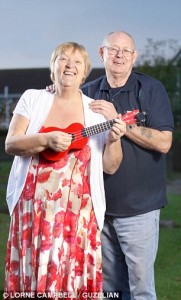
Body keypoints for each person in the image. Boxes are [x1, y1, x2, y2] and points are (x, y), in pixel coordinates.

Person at [46, 31, 174, 300]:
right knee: (111, 290)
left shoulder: (150, 89)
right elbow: (63, 130)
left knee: (140, 288)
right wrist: (53, 95)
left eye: (126, 51)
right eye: (113, 49)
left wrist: (121, 122)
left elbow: (164, 143)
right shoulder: (87, 93)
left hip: (140, 208)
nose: (119, 56)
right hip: (98, 209)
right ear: (102, 53)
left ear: (134, 57)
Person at [4, 41, 126, 299]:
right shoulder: (33, 98)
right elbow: (11, 143)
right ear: (53, 68)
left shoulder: (95, 112)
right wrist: (45, 140)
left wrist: (114, 140)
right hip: (33, 214)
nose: (70, 65)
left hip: (77, 218)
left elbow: (110, 166)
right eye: (63, 59)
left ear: (84, 73)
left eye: (77, 62)